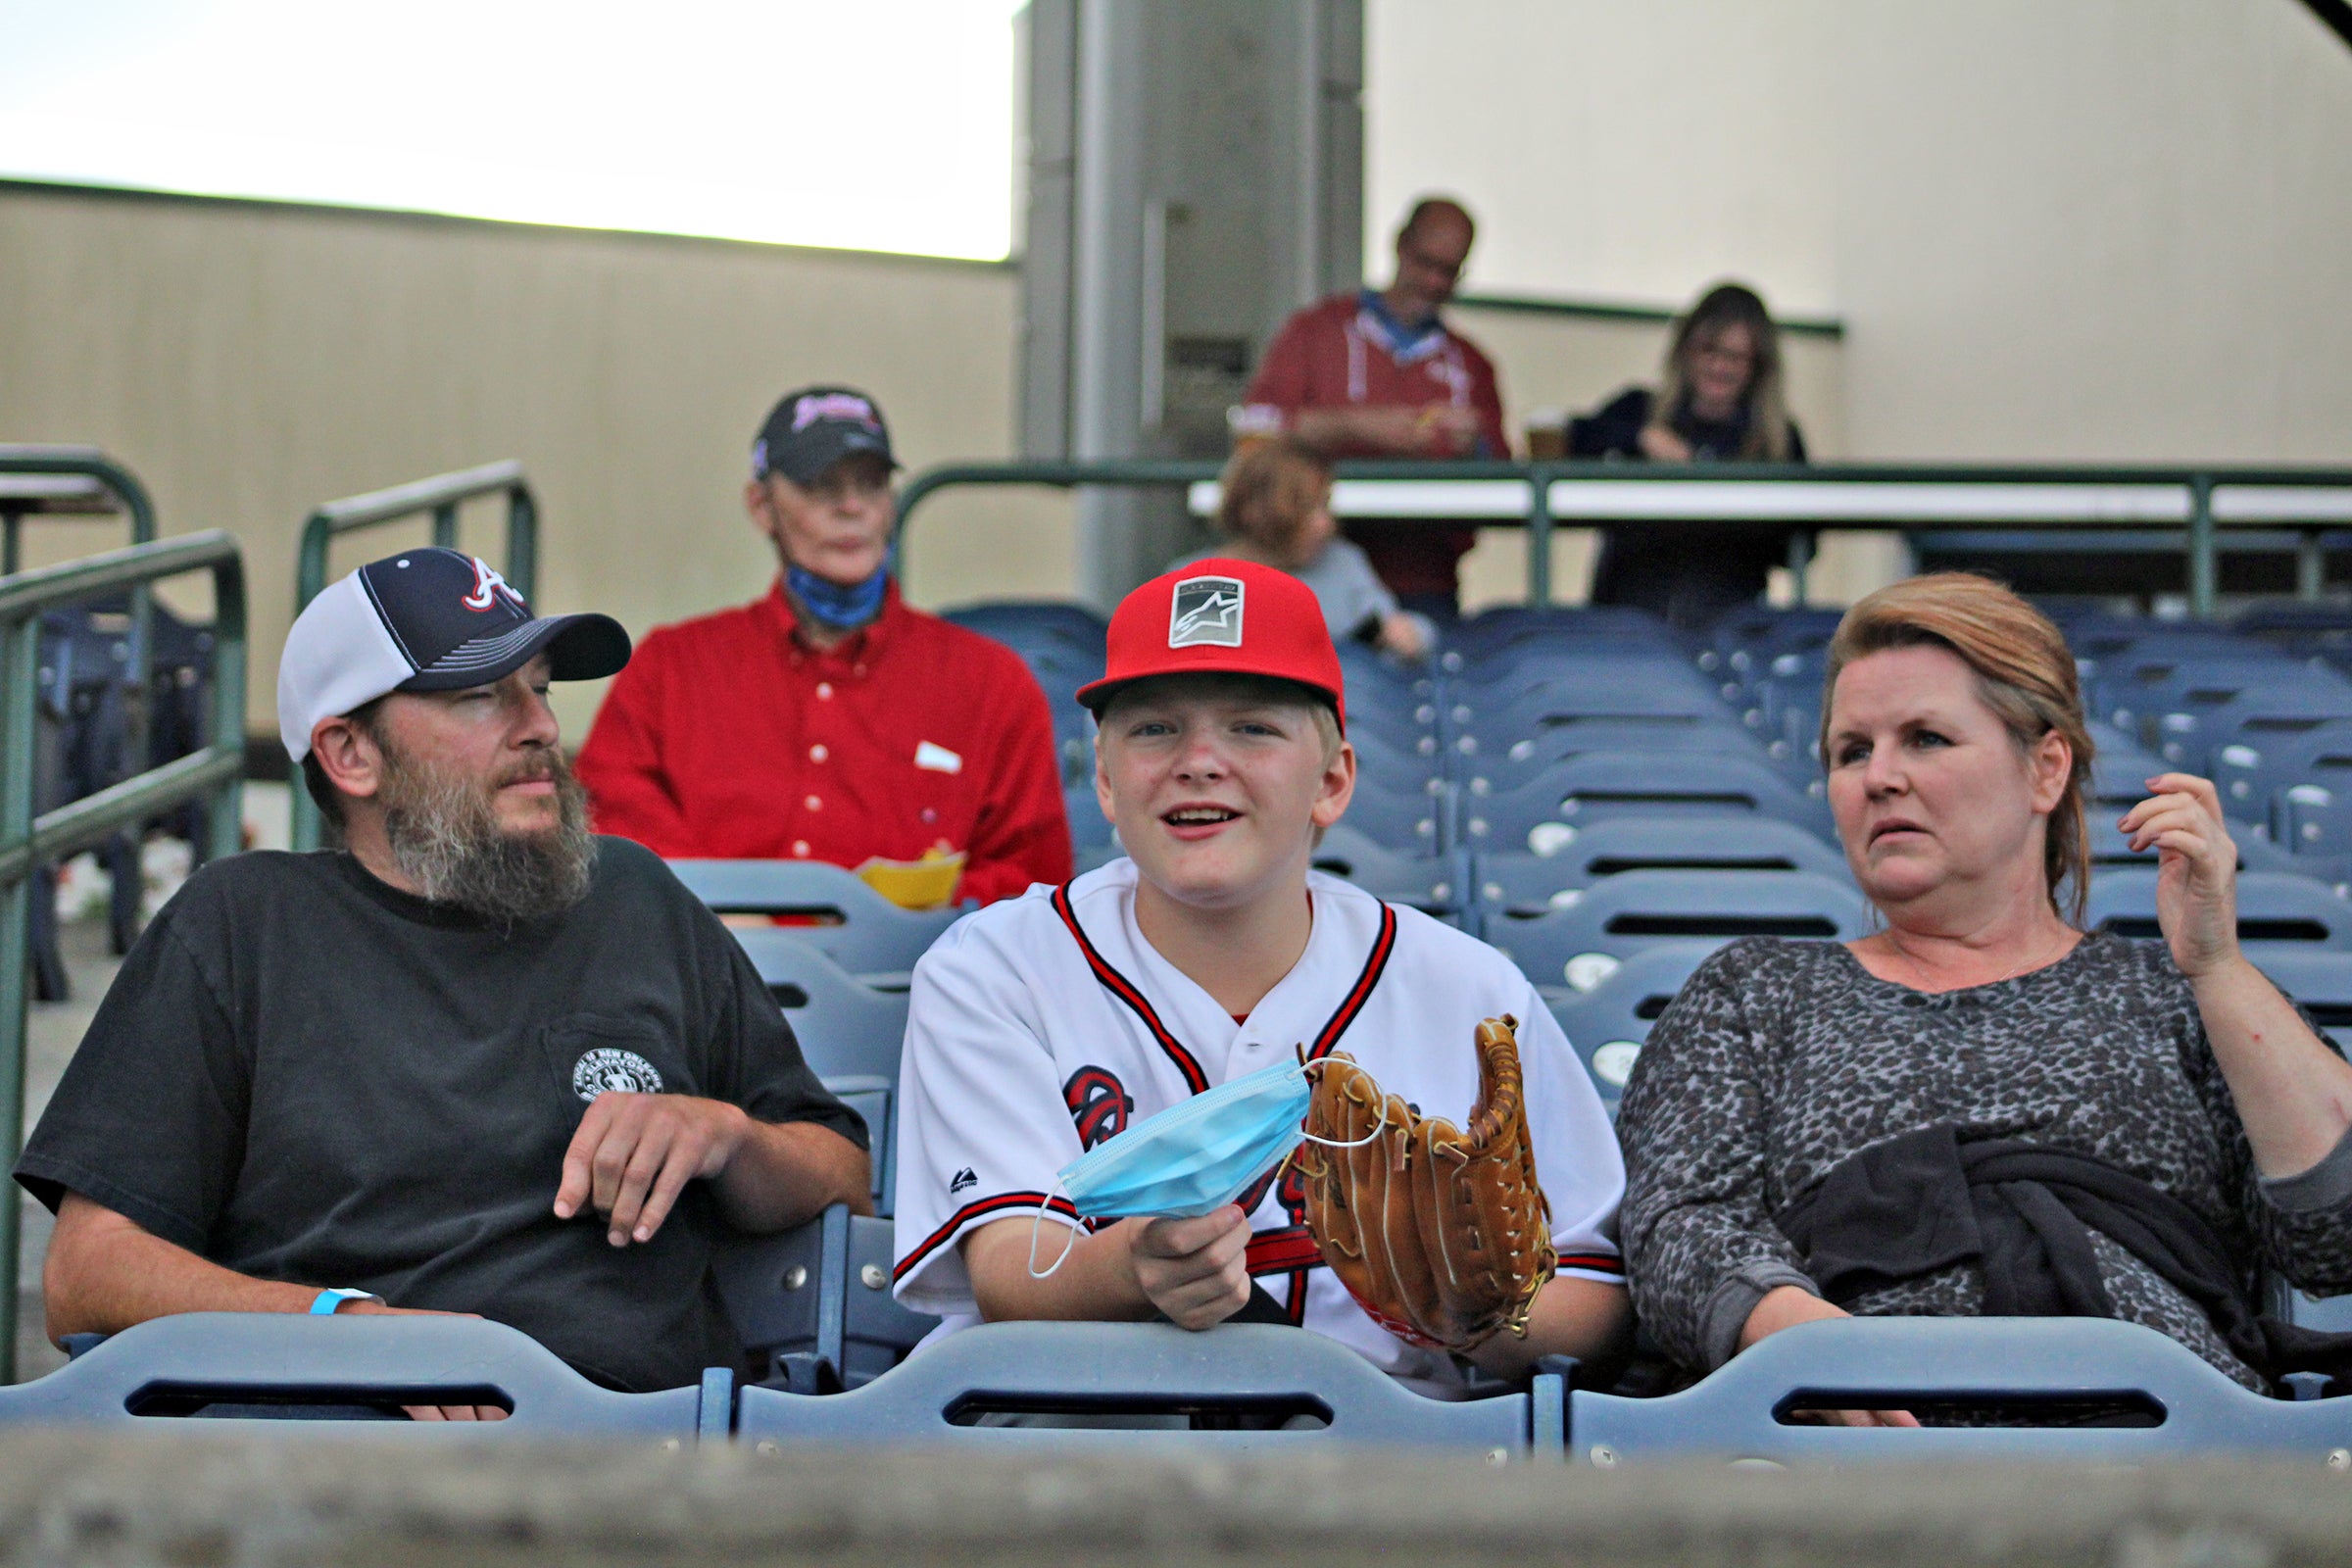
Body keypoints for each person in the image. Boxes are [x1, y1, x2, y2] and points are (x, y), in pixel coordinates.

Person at [17, 548, 872, 1407]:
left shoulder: (635, 896)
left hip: (636, 1444)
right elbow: (87, 1271)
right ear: (351, 753)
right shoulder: (241, 925)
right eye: (479, 695)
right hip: (330, 1444)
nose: (538, 725)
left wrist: (724, 1134)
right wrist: (349, 1334)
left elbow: (839, 1170)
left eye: (540, 688)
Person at [1615, 573, 2352, 1421]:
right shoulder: (1754, 992)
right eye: (1852, 751)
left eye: (1925, 738)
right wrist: (1804, 1346)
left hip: (2164, 1474)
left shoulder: (2176, 997)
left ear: (2045, 769)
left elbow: (2336, 1238)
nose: (1879, 777)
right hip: (1841, 1473)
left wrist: (2218, 967)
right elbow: (1678, 1223)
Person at [890, 558, 1628, 1396]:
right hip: (1074, 1444)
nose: (1200, 761)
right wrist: (1134, 1268)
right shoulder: (994, 968)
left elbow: (1595, 1293)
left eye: (1253, 728)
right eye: (1155, 728)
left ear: (1334, 779)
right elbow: (1007, 1268)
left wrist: (1476, 1311)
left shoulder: (1469, 993)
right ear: (1103, 777)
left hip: (1383, 1471)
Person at [575, 385, 1070, 908]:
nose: (852, 506)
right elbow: (612, 833)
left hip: (909, 982)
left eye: (872, 484)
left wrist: (913, 915)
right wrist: (719, 925)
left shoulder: (991, 682)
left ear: (892, 503)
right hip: (705, 983)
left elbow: (1035, 880)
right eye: (820, 486)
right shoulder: (670, 669)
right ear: (761, 506)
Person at [1238, 198, 1510, 619]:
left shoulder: (1471, 363)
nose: (1435, 282)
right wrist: (1350, 427)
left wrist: (1473, 447)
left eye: (1450, 271)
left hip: (1422, 582)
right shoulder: (1316, 331)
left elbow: (1504, 474)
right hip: (1310, 571)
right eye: (1426, 263)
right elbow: (1256, 424)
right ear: (1400, 246)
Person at [1575, 282, 1808, 630]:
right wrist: (1639, 438)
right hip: (1626, 625)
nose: (1719, 367)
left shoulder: (1776, 441)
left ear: (1758, 367)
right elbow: (1572, 440)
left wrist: (1736, 504)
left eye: (1736, 357)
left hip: (1728, 629)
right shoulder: (1638, 411)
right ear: (1684, 351)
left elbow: (1800, 547)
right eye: (1708, 351)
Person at [1182, 438, 1430, 662]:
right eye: (1303, 508)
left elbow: (1396, 626)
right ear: (1253, 510)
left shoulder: (1341, 563)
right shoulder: (1203, 580)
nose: (1324, 523)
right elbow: (1197, 674)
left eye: (1324, 506)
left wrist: (1411, 634)